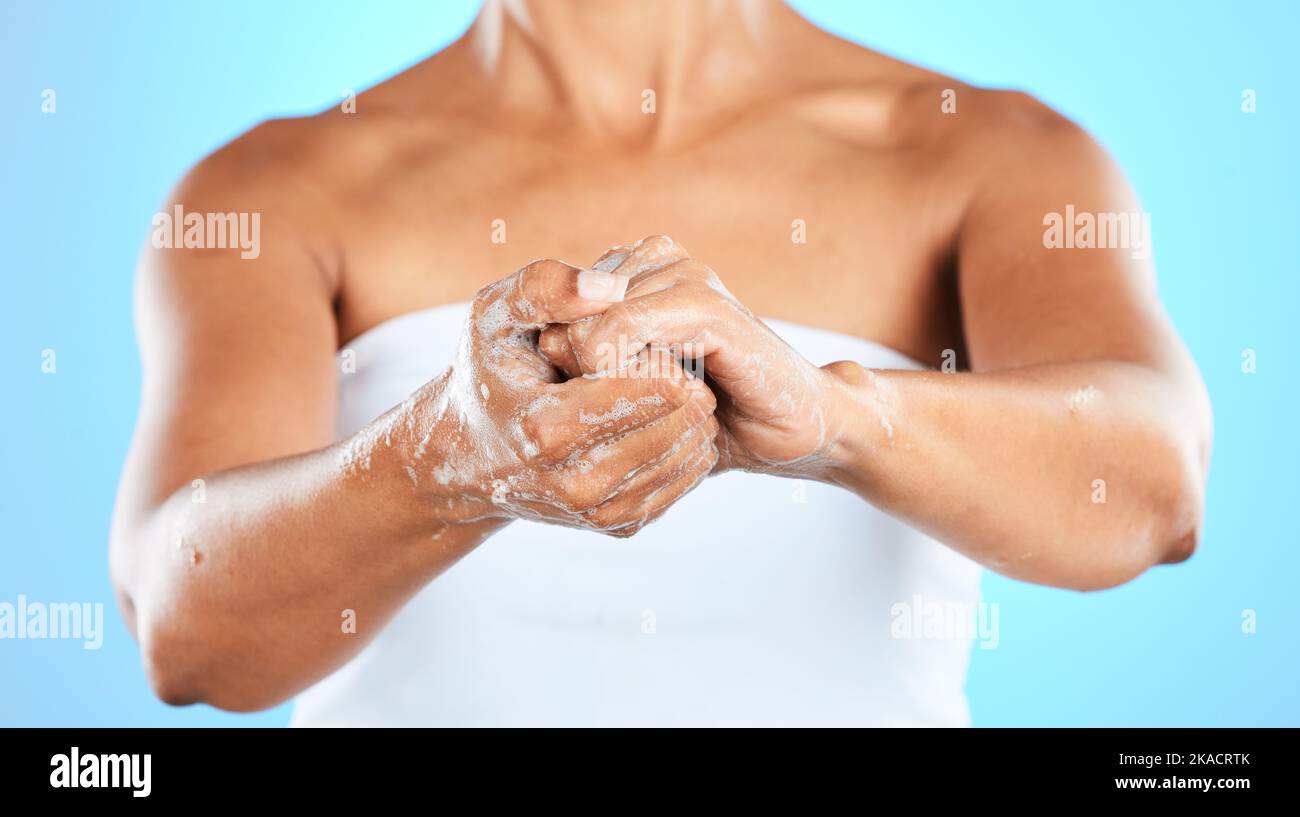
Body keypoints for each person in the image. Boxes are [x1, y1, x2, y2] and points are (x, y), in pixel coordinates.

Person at [109, 0, 1212, 726]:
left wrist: (830, 419)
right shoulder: (268, 189)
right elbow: (187, 627)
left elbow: (1151, 488)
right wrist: (443, 457)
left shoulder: (992, 155)